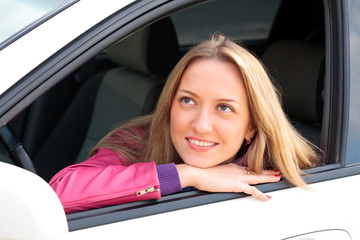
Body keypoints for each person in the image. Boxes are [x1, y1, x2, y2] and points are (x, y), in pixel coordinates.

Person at [50, 34, 318, 214]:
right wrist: (185, 174)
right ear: (169, 104)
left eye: (224, 108)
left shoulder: (283, 181)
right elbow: (58, 194)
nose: (201, 125)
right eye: (188, 101)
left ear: (252, 126)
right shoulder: (137, 140)